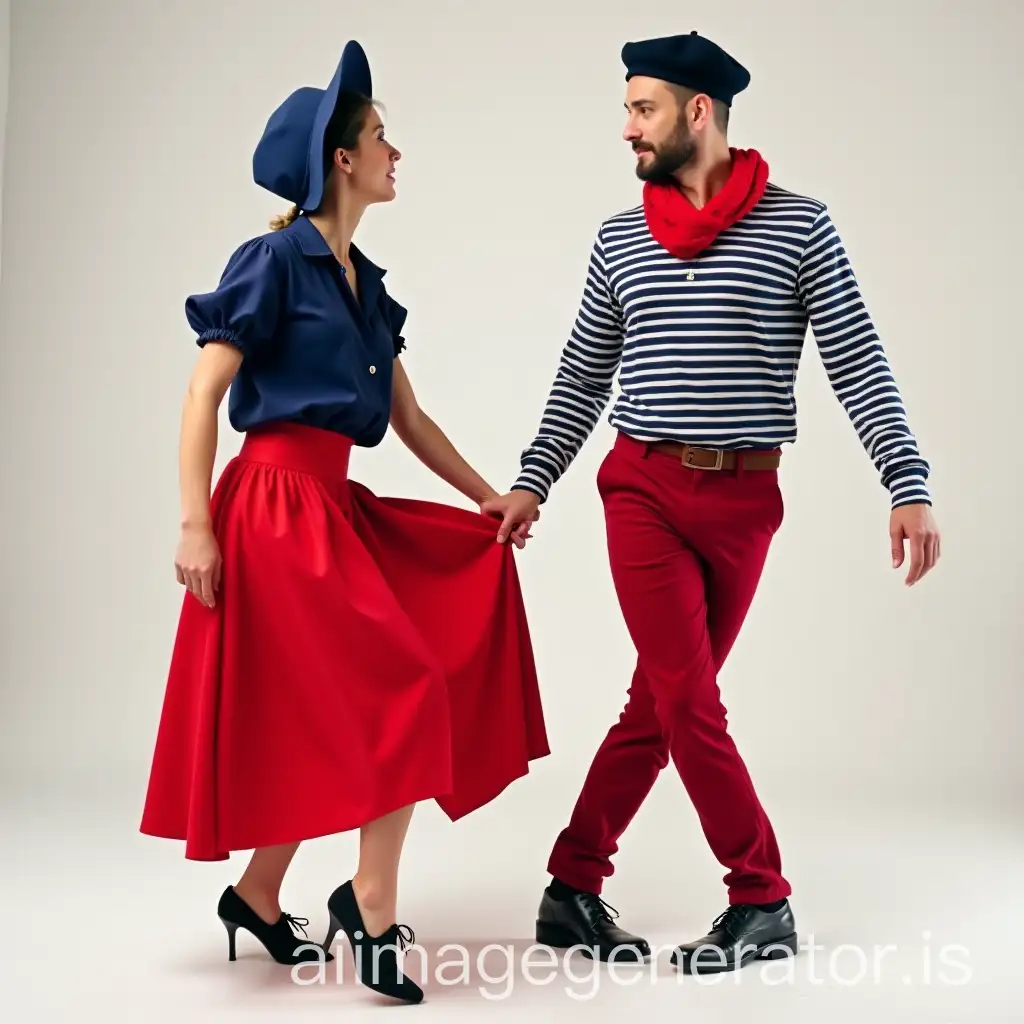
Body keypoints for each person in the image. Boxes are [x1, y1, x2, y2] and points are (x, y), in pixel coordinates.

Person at [483, 30, 941, 974]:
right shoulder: (619, 238)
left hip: (746, 501)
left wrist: (907, 482)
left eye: (641, 108)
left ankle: (572, 887)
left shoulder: (800, 226)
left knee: (659, 702)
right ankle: (761, 895)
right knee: (692, 698)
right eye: (626, 109)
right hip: (641, 488)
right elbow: (582, 375)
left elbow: (858, 359)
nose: (627, 129)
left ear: (700, 112)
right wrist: (535, 478)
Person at [139, 40, 549, 1004]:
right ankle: (369, 904)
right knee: (396, 689)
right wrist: (194, 524)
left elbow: (408, 419)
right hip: (272, 510)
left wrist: (483, 492)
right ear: (341, 159)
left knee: (337, 706)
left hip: (335, 508)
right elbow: (205, 394)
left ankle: (259, 893)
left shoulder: (364, 283)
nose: (395, 151)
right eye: (379, 135)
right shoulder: (274, 259)